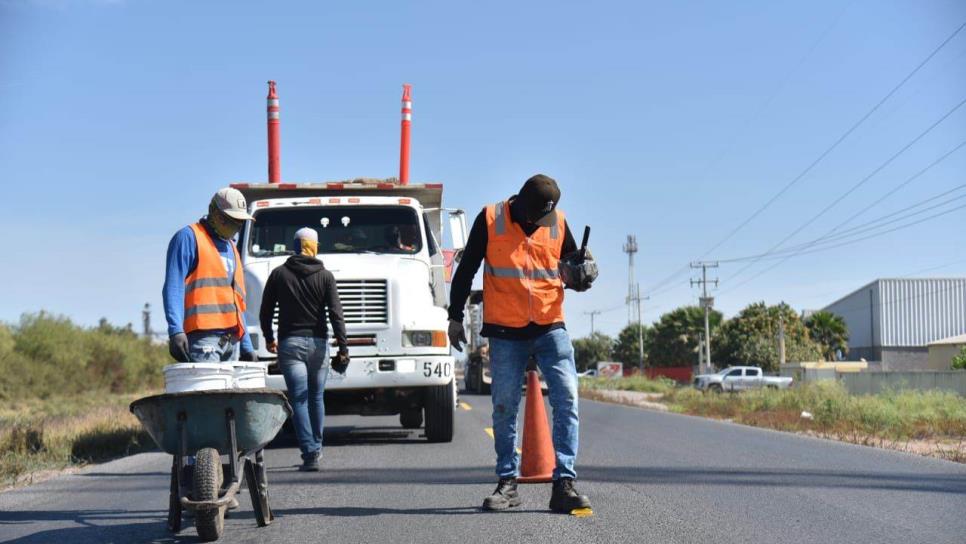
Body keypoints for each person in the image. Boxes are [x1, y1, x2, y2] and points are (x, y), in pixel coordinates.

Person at [448, 174, 597, 513]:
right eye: (534, 217)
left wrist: (582, 274)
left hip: (550, 325)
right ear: (521, 205)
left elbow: (570, 269)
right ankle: (507, 483)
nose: (538, 223)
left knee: (567, 398)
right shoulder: (490, 219)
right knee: (503, 407)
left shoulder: (556, 222)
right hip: (505, 329)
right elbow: (467, 267)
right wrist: (455, 317)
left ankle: (564, 484)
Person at [260, 227, 349, 472]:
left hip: (290, 344)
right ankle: (316, 449)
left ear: (296, 245)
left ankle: (309, 452)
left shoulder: (278, 274)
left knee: (298, 399)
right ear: (314, 246)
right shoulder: (326, 276)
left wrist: (269, 337)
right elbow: (336, 313)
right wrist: (343, 346)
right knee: (316, 398)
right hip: (319, 344)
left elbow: (265, 311)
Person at [163, 187, 257, 365]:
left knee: (227, 393)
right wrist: (175, 330)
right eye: (231, 220)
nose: (236, 227)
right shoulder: (189, 238)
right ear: (215, 213)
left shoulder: (231, 248)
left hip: (231, 342)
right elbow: (173, 287)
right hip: (203, 340)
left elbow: (236, 302)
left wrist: (247, 345)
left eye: (239, 222)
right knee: (210, 392)